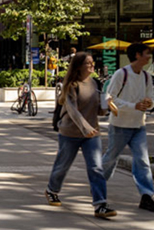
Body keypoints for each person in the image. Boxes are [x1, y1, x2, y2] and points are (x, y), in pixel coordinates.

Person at [46, 52, 117, 220]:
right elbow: (72, 110)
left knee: (96, 168)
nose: (92, 66)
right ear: (78, 66)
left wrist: (107, 106)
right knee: (63, 165)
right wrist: (85, 128)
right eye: (88, 63)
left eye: (93, 63)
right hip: (70, 132)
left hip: (92, 134)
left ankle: (100, 205)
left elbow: (97, 110)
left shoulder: (93, 83)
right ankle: (52, 190)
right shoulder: (71, 85)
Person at [103, 43, 154, 213]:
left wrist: (149, 102)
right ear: (137, 55)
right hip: (120, 125)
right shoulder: (121, 74)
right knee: (110, 158)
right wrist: (133, 106)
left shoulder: (146, 76)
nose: (149, 57)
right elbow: (110, 98)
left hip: (139, 125)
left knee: (142, 160)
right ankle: (98, 185)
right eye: (146, 54)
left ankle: (146, 196)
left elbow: (151, 96)